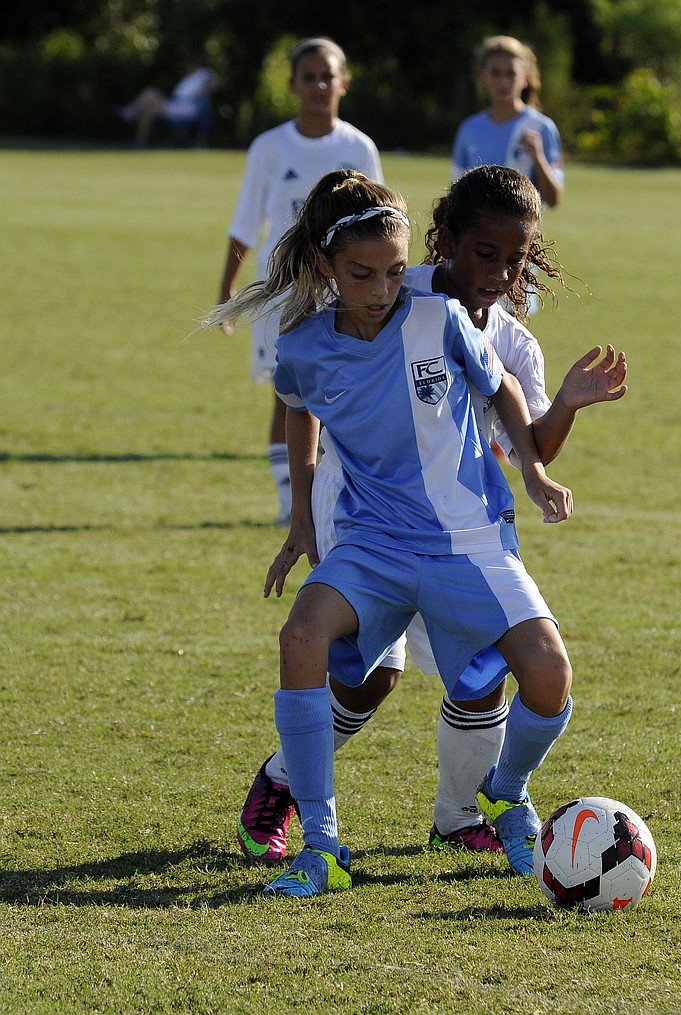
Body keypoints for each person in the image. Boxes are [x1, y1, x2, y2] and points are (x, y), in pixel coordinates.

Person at [236, 165, 628, 868]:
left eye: (515, 260)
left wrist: (559, 416)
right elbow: (304, 392)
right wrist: (303, 515)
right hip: (362, 520)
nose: (501, 273)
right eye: (485, 254)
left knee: (486, 677)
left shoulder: (505, 339)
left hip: (465, 525)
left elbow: (525, 437)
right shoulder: (397, 288)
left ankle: (465, 813)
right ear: (441, 242)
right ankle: (283, 786)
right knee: (367, 676)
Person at [218, 37, 382, 527]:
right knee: (286, 392)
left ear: (344, 84)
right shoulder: (269, 147)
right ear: (292, 86)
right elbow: (246, 223)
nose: (318, 86)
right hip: (284, 287)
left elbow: (380, 219)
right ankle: (292, 504)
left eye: (327, 76)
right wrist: (227, 288)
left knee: (345, 387)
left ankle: (340, 496)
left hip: (342, 287)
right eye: (308, 77)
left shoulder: (357, 147)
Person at [451, 36, 564, 210]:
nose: (503, 82)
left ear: (525, 78)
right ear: (483, 76)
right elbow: (455, 193)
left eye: (511, 73)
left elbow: (554, 199)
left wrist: (538, 157)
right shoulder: (469, 128)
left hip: (521, 233)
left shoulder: (540, 127)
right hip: (477, 232)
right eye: (495, 73)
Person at [117, 55, 219, 149]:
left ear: (195, 65)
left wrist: (204, 91)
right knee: (148, 110)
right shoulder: (190, 77)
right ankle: (140, 141)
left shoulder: (204, 73)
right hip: (176, 104)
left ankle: (131, 112)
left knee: (150, 93)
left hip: (185, 108)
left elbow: (215, 83)